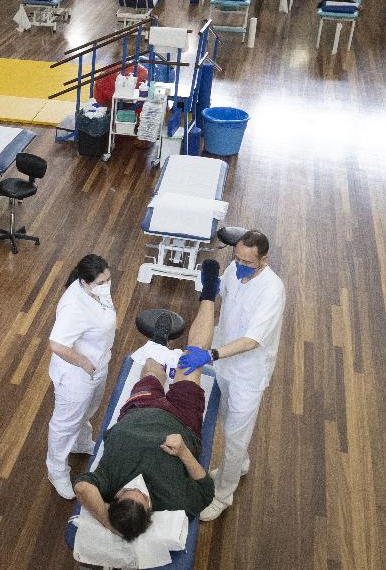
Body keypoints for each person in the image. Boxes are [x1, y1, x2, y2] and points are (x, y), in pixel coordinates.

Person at [73, 260, 223, 538]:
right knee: (193, 359)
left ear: (114, 498)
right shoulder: (174, 499)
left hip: (141, 410)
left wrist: (107, 523)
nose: (135, 488)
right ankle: (210, 291)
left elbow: (81, 487)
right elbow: (205, 492)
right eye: (142, 496)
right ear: (151, 507)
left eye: (127, 492)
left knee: (153, 366)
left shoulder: (107, 484)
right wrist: (185, 454)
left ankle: (161, 342)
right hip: (183, 422)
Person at [172, 230, 286, 521]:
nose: (240, 265)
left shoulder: (272, 290)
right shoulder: (237, 266)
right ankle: (240, 463)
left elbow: (252, 340)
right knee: (226, 419)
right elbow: (221, 290)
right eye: (237, 258)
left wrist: (210, 355)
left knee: (234, 437)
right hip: (225, 363)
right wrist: (209, 284)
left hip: (247, 374)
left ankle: (223, 494)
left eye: (248, 262)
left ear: (264, 260)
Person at [46, 255, 117, 500]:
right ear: (85, 282)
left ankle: (81, 443)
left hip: (98, 367)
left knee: (88, 410)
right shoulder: (73, 306)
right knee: (65, 424)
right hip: (77, 375)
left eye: (108, 279)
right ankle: (57, 472)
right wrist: (84, 363)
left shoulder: (97, 292)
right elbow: (56, 344)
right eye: (101, 281)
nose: (107, 284)